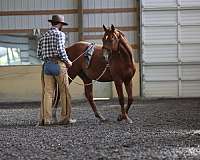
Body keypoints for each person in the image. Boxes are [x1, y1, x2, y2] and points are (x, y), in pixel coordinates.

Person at [37, 15, 76, 125]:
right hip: (59, 65)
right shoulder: (60, 34)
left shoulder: (43, 36)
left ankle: (47, 119)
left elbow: (38, 54)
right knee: (64, 92)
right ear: (60, 24)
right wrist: (67, 61)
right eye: (62, 24)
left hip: (47, 66)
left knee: (48, 93)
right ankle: (65, 118)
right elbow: (60, 50)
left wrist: (47, 59)